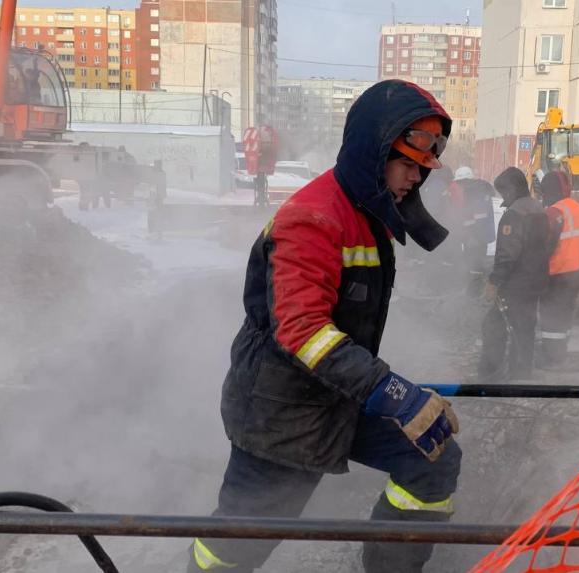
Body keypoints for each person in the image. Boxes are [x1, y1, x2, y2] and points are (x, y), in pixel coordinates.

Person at [189, 80, 461, 573]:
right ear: (372, 153)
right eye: (407, 165)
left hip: (337, 397)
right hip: (282, 411)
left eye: (422, 170)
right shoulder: (313, 219)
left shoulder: (366, 212)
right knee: (235, 546)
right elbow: (302, 331)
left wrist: (393, 394)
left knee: (432, 457)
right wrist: (397, 393)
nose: (414, 181)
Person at [479, 167, 551, 381]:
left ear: (511, 189)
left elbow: (507, 254)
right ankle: (522, 372)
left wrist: (494, 282)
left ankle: (491, 371)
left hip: (516, 283)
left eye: (503, 191)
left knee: (494, 325)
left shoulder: (514, 215)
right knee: (525, 326)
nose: (503, 196)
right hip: (536, 279)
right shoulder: (538, 209)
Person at [538, 171, 579, 367]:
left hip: (557, 272)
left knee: (552, 315)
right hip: (577, 271)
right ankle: (561, 350)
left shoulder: (554, 212)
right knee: (565, 314)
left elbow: (546, 245)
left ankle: (552, 357)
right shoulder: (578, 208)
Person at [450, 166, 496, 289]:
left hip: (477, 237)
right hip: (476, 235)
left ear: (466, 180)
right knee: (474, 264)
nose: (459, 185)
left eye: (460, 182)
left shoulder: (476, 191)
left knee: (475, 265)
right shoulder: (476, 189)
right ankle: (473, 288)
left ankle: (475, 291)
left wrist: (473, 237)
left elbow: (479, 218)